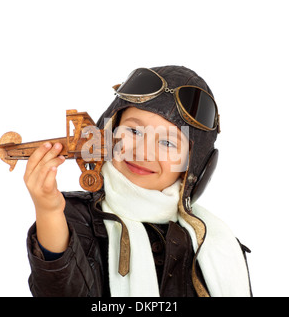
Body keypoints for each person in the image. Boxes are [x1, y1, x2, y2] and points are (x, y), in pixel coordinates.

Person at [25, 65, 252, 297]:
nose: (143, 152)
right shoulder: (74, 217)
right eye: (134, 132)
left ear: (192, 165)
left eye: (167, 143)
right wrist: (49, 212)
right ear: (109, 131)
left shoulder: (216, 246)